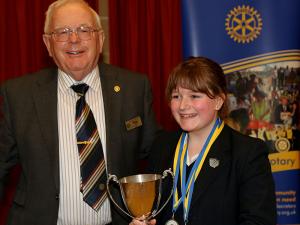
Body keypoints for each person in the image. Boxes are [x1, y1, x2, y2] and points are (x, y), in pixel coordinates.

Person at [0, 0, 159, 225]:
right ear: (48, 43)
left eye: (84, 30)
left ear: (100, 38)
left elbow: (156, 157)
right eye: (62, 32)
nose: (74, 39)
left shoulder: (134, 88)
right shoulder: (18, 95)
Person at [131, 57, 276, 225]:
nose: (183, 106)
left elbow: (258, 221)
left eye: (194, 96)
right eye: (176, 96)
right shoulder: (161, 145)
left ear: (218, 101)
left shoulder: (248, 153)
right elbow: (152, 210)